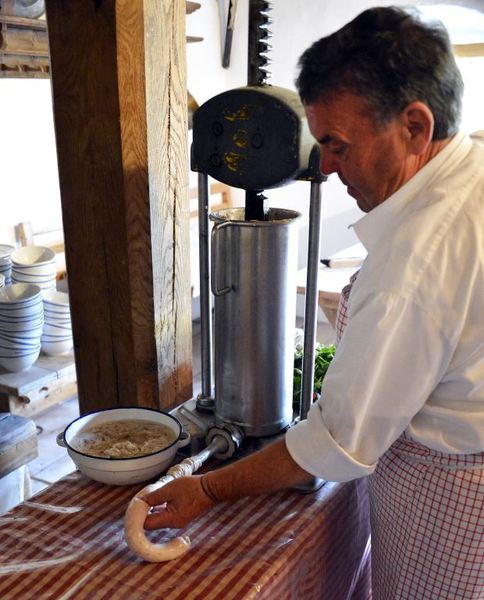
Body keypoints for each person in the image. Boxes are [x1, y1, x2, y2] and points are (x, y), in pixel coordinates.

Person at [142, 6, 484, 598]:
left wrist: (210, 489)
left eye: (337, 145)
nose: (324, 166)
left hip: (449, 505)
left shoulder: (416, 264)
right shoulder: (469, 169)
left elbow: (339, 443)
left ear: (414, 126)